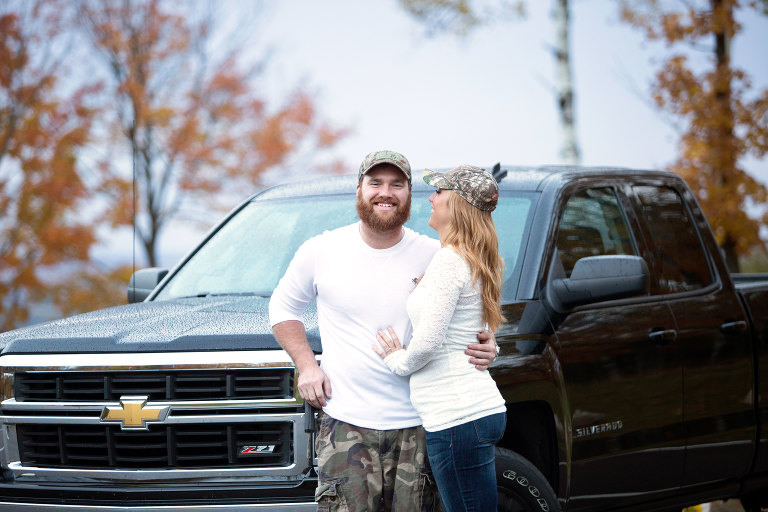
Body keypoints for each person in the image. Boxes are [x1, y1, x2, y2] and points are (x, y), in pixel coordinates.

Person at [269, 150, 498, 511]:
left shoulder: (436, 253)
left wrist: (489, 344)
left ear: (410, 194)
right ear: (359, 189)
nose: (385, 192)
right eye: (375, 183)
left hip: (421, 424)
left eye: (397, 184)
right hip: (346, 422)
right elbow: (282, 308)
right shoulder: (322, 250)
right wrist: (307, 365)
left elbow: (469, 313)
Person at [373, 164, 507, 512]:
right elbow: (479, 329)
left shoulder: (450, 261)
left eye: (440, 192)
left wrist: (396, 360)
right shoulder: (471, 258)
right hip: (474, 411)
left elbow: (429, 342)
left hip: (457, 417)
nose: (431, 198)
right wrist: (493, 346)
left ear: (458, 205)